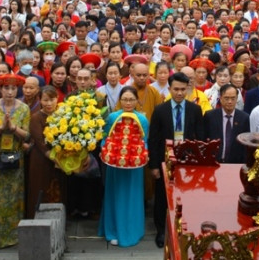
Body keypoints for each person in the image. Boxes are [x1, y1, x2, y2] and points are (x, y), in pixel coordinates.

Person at [148, 72, 204, 248]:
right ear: (170, 89)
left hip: (187, 160)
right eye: (176, 89)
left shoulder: (195, 109)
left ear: (188, 89)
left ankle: (185, 229)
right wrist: (155, 166)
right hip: (165, 159)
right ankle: (161, 231)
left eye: (182, 89)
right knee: (162, 197)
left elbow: (200, 137)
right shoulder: (160, 110)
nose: (179, 93)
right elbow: (154, 140)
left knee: (185, 195)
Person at [98, 86, 150, 247]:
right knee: (115, 195)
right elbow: (105, 137)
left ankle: (132, 230)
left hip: (134, 167)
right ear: (120, 100)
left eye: (131, 99)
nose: (128, 103)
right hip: (114, 165)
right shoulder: (113, 117)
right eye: (125, 99)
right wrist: (106, 150)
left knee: (132, 197)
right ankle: (112, 230)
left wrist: (141, 154)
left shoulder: (142, 119)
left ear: (137, 101)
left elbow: (145, 140)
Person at [0, 74, 30, 248]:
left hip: (16, 154)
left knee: (14, 197)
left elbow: (27, 135)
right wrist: (1, 128)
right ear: (0, 89)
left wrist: (14, 129)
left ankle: (14, 236)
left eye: (14, 88)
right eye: (6, 88)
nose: (10, 92)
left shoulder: (24, 109)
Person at [26, 85, 62, 218]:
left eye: (52, 99)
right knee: (40, 188)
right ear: (40, 100)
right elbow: (40, 143)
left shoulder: (62, 115)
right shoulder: (36, 118)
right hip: (41, 159)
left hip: (60, 158)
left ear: (57, 99)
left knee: (58, 188)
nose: (49, 103)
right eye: (45, 100)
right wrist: (54, 158)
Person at [203, 84, 250, 163]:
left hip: (235, 164)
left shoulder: (244, 118)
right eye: (226, 98)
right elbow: (204, 140)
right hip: (213, 162)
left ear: (237, 99)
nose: (230, 102)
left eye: (233, 98)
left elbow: (245, 145)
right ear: (220, 98)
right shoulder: (210, 116)